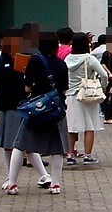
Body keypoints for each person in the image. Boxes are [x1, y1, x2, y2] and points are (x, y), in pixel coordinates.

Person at [6, 32, 69, 196]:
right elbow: (64, 90)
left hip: (36, 110)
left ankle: (12, 183)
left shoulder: (35, 60)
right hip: (56, 110)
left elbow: (27, 87)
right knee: (57, 148)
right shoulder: (62, 64)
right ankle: (55, 184)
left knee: (21, 144)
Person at [0, 28, 42, 189]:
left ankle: (43, 175)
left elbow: (34, 83)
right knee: (8, 144)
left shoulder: (28, 59)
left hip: (23, 106)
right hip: (4, 106)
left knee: (24, 143)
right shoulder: (0, 61)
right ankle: (11, 177)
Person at [64, 32, 109, 167]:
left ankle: (70, 154)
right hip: (87, 95)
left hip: (71, 95)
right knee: (89, 126)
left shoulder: (67, 59)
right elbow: (104, 75)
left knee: (72, 127)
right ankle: (87, 156)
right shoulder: (89, 59)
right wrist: (102, 87)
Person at [94, 35, 112, 124]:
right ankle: (107, 116)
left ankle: (111, 116)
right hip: (111, 78)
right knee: (109, 96)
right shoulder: (107, 53)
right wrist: (109, 73)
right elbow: (103, 64)